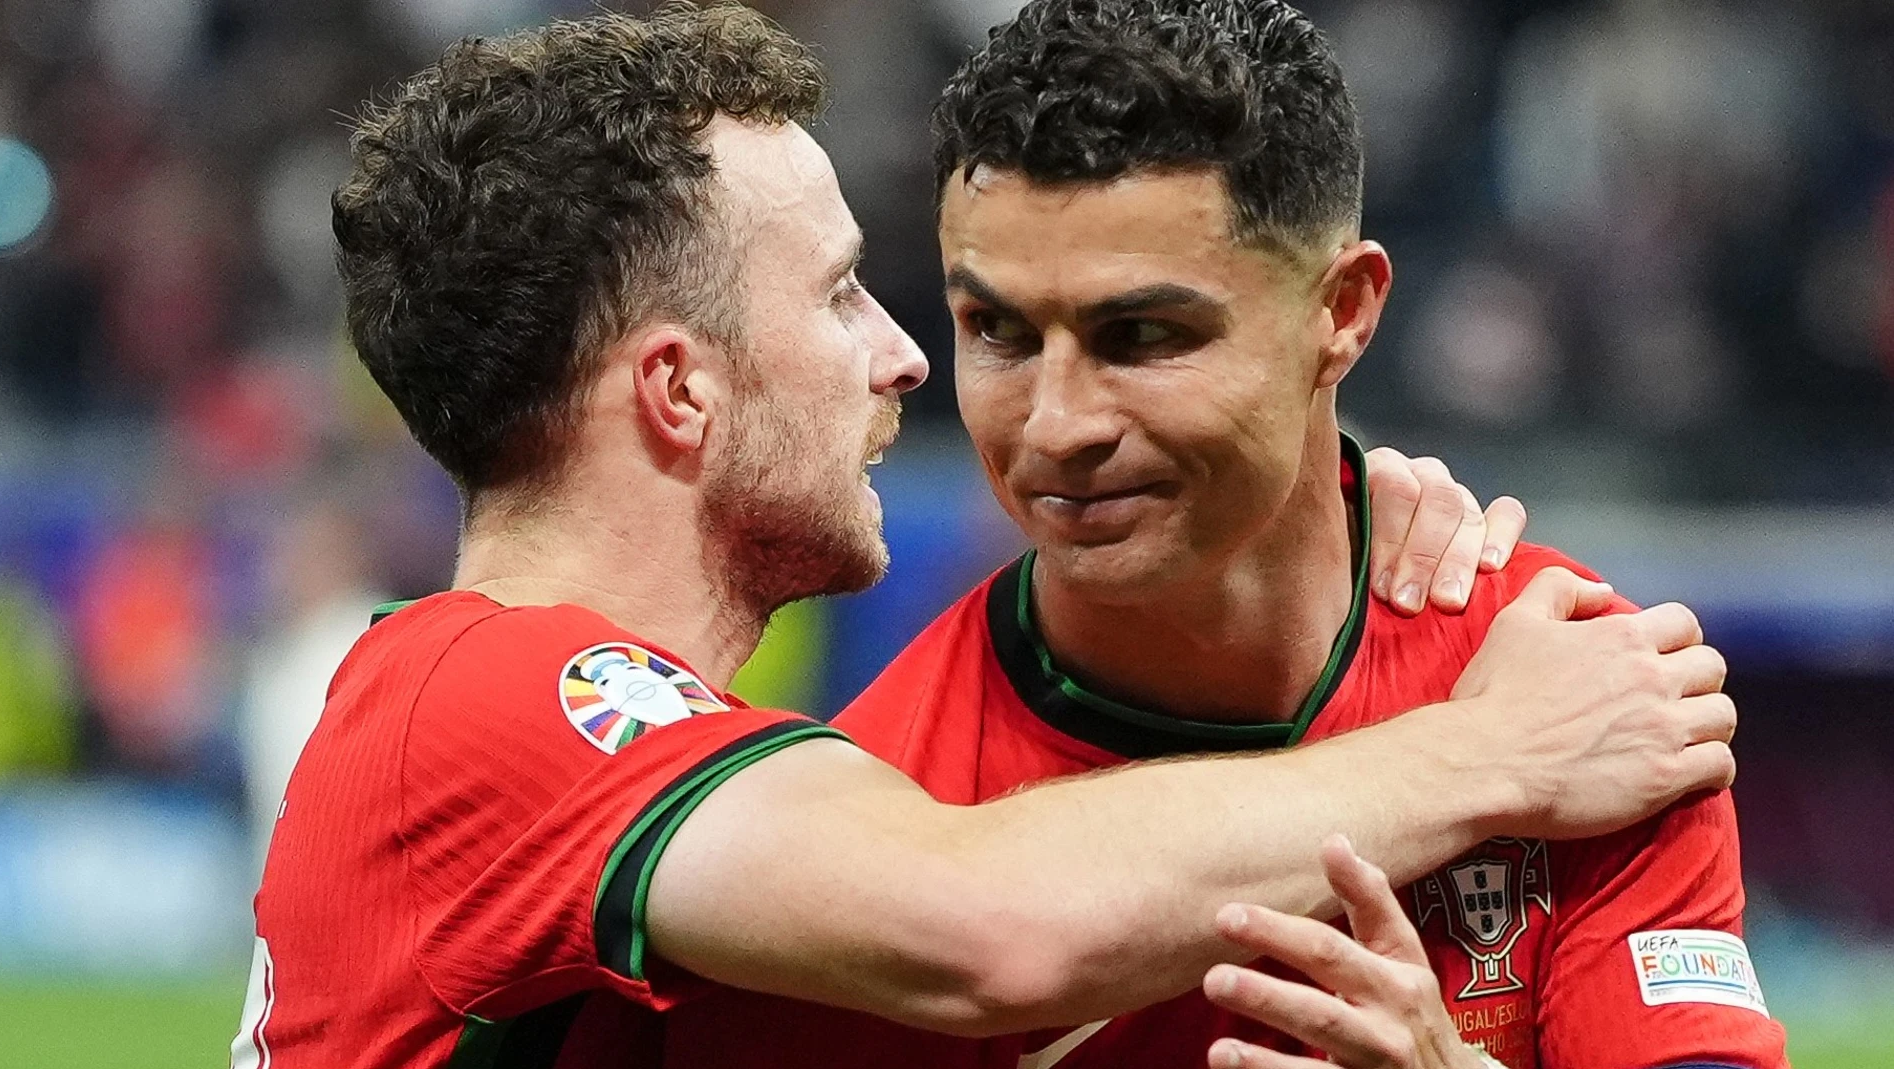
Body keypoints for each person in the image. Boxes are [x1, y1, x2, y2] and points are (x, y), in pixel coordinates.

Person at [233, 7, 1738, 1068]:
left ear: (1337, 320)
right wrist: (1499, 758)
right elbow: (992, 919)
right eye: (843, 297)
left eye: (1145, 334)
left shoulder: (715, 828)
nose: (902, 360)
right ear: (680, 391)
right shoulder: (490, 703)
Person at [669, 2, 1786, 1067]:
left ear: (1341, 313)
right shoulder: (882, 814)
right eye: (997, 329)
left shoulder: (1578, 675)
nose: (1056, 428)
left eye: (1143, 334)